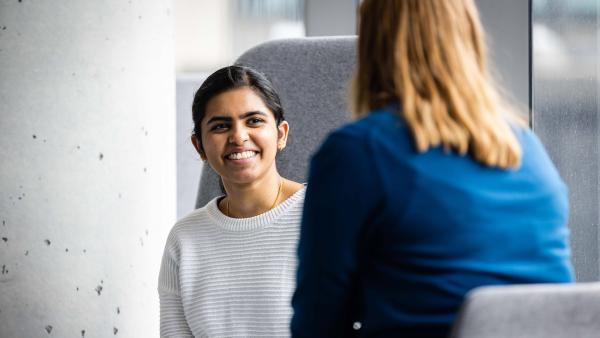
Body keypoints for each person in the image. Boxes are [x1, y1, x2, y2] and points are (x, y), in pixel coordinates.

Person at [291, 1, 574, 337]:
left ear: (373, 45)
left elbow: (319, 320)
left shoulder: (358, 152)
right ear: (469, 40)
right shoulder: (526, 147)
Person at [158, 65, 305, 337]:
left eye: (254, 121)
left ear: (281, 134)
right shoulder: (185, 237)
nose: (238, 137)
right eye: (221, 126)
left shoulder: (324, 216)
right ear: (199, 145)